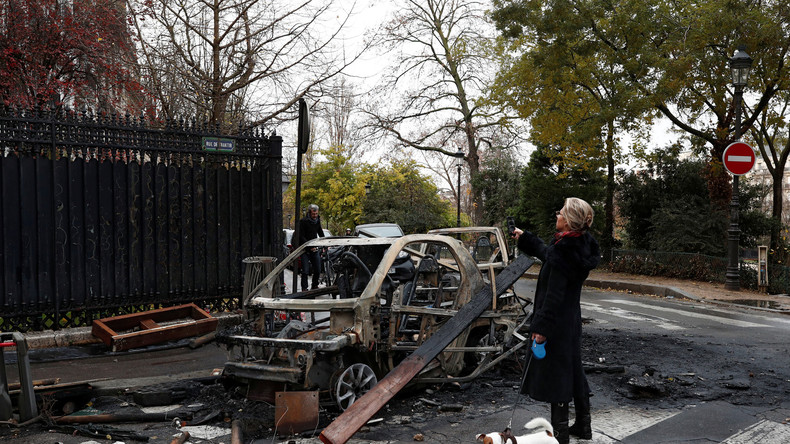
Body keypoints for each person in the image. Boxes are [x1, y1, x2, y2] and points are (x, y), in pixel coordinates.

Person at [512, 197, 600, 444]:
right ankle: (584, 426)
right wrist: (526, 238)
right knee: (573, 370)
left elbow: (554, 297)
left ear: (569, 220)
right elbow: (549, 255)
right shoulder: (577, 245)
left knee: (558, 377)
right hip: (570, 321)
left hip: (558, 324)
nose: (556, 215)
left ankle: (560, 436)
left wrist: (541, 329)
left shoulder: (564, 250)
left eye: (560, 212)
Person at [297, 204, 325, 291]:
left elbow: (320, 232)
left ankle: (314, 285)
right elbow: (301, 236)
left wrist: (325, 243)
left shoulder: (317, 221)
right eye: (313, 214)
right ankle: (304, 288)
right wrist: (309, 246)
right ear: (309, 213)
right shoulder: (303, 221)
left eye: (316, 214)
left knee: (317, 269)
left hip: (314, 248)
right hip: (305, 249)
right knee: (305, 270)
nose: (315, 216)